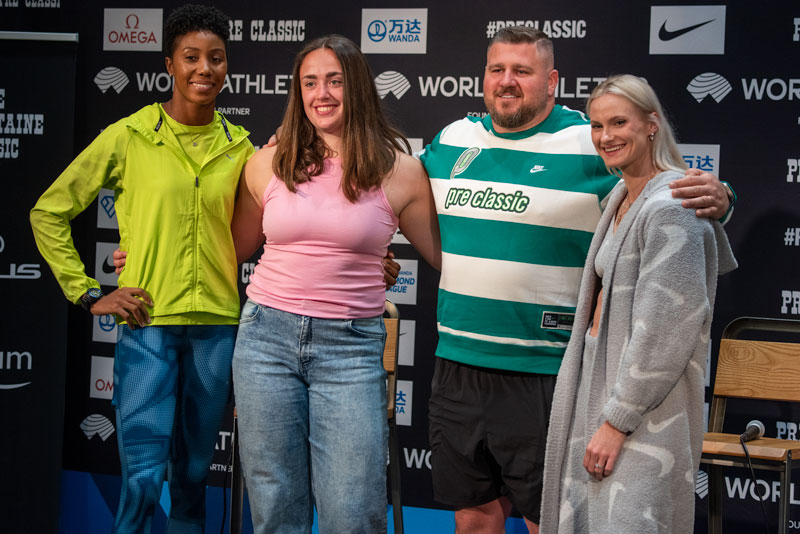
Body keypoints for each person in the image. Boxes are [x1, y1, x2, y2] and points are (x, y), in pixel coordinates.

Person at [419, 26, 734, 533]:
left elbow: (668, 185)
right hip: (457, 364)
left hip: (545, 369)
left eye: (522, 71)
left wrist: (723, 197)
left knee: (548, 519)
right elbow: (391, 187)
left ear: (551, 81)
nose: (507, 81)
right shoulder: (453, 139)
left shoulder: (592, 139)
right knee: (473, 518)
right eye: (497, 69)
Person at [29, 5, 253, 533]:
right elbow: (48, 211)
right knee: (143, 482)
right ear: (169, 65)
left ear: (227, 66)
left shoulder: (242, 147)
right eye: (191, 57)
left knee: (194, 480)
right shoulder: (129, 135)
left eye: (216, 58)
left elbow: (282, 221)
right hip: (147, 326)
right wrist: (88, 292)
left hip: (216, 329)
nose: (204, 69)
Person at [229, 34, 440, 534]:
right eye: (309, 82)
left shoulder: (401, 171)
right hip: (265, 342)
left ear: (358, 87)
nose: (321, 94)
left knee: (353, 512)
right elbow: (228, 251)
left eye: (334, 81)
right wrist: (144, 259)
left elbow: (448, 259)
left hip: (349, 349)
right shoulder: (266, 163)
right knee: (275, 508)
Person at [538, 74, 737, 533]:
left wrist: (618, 420)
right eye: (597, 125)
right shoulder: (620, 197)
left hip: (646, 409)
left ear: (651, 124)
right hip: (600, 386)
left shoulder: (672, 207)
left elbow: (666, 333)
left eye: (619, 122)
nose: (605, 136)